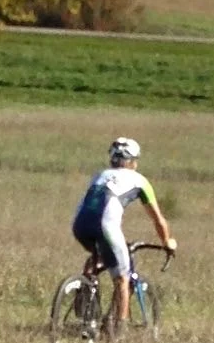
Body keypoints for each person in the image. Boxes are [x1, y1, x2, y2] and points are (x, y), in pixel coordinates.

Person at [70, 138, 177, 324]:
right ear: (134, 161)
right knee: (122, 278)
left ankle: (86, 296)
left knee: (97, 258)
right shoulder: (140, 181)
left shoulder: (100, 175)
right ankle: (119, 331)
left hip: (79, 225)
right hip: (106, 227)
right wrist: (167, 241)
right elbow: (158, 219)